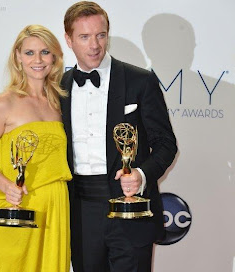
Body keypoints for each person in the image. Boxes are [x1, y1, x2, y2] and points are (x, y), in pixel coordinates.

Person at [61, 2, 178, 272]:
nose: (94, 45)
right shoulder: (58, 88)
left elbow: (165, 143)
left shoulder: (139, 80)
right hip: (79, 211)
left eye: (101, 35)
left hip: (130, 209)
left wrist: (142, 174)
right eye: (84, 37)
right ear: (68, 40)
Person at [0, 24, 72, 272]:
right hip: (18, 205)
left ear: (55, 57)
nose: (37, 60)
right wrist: (7, 186)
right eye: (29, 53)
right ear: (17, 56)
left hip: (56, 205)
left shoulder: (60, 103)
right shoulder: (4, 103)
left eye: (45, 52)